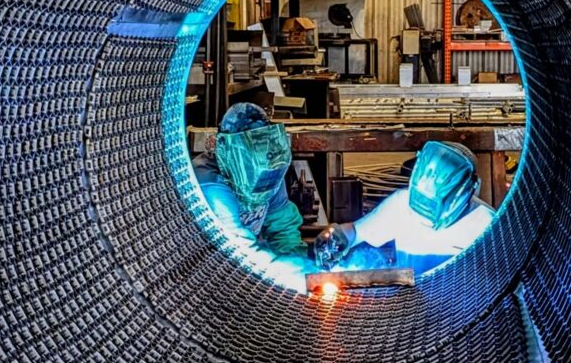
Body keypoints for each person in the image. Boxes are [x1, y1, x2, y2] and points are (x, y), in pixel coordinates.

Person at [314, 141, 494, 276]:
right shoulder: (401, 204)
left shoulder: (485, 224)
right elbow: (357, 230)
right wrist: (337, 235)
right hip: (412, 304)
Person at [192, 102, 308, 260]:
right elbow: (237, 245)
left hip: (248, 258)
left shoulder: (269, 167)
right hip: (202, 264)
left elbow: (281, 225)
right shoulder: (208, 184)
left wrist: (296, 258)